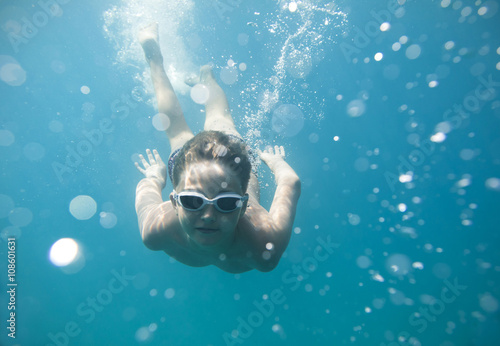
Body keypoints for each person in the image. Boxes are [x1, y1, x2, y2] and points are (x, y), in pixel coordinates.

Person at [134, 23, 301, 273]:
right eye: (192, 201)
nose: (209, 215)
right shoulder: (156, 230)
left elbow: (291, 182)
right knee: (210, 120)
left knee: (182, 128)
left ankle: (196, 75)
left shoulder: (264, 244)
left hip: (219, 161)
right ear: (174, 201)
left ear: (243, 206)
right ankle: (168, 63)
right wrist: (153, 178)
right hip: (211, 164)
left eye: (226, 203)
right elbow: (291, 182)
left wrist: (278, 165)